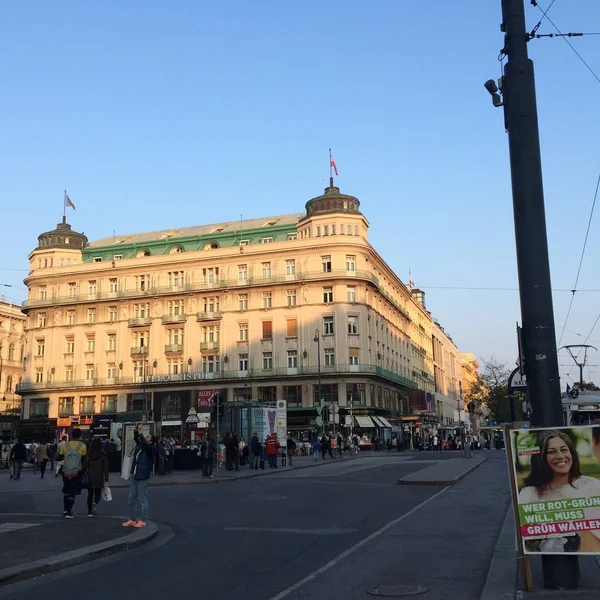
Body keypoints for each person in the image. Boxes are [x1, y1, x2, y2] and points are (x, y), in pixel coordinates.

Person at [519, 429, 600, 553]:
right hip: (550, 562)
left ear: (571, 454)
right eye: (551, 452)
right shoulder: (530, 493)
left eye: (564, 450)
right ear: (541, 458)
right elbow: (523, 540)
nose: (560, 456)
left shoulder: (592, 485)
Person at [122, 426, 155, 528]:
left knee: (142, 499)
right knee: (131, 499)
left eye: (148, 437)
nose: (146, 437)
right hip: (136, 476)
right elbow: (137, 439)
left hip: (143, 476)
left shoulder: (150, 449)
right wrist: (136, 431)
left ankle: (143, 520)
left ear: (151, 441)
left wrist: (140, 432)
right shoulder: (141, 447)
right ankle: (132, 519)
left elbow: (144, 443)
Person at [59, 428, 87, 519]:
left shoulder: (65, 445)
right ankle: (69, 511)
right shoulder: (82, 446)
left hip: (65, 470)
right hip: (77, 471)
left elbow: (59, 457)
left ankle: (65, 510)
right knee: (73, 491)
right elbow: (83, 460)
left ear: (71, 435)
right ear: (79, 436)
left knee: (66, 490)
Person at [86, 438, 108, 516]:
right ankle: (95, 503)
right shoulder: (103, 454)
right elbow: (105, 468)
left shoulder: (89, 454)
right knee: (97, 493)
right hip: (99, 476)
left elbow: (85, 465)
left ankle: (89, 511)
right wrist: (106, 479)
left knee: (90, 494)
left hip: (90, 476)